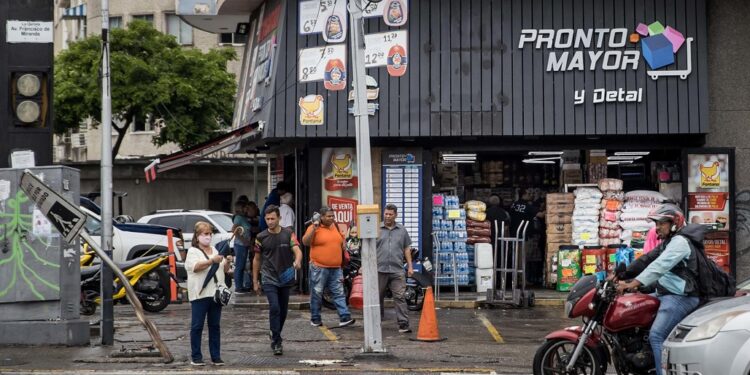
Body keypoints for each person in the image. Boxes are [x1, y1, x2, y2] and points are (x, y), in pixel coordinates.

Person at [616, 204, 702, 372]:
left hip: (680, 297)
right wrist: (620, 275)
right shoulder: (667, 243)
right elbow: (646, 259)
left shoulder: (680, 242)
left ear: (674, 223)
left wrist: (634, 283)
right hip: (665, 292)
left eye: (661, 223)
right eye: (656, 224)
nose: (657, 229)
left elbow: (658, 266)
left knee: (657, 336)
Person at [252, 205, 302, 355]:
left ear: (279, 218)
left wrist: (298, 261)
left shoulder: (288, 233)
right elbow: (256, 259)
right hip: (268, 276)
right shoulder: (260, 237)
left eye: (273, 218)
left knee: (283, 311)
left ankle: (274, 332)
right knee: (274, 307)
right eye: (267, 219)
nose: (270, 221)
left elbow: (297, 250)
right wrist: (255, 280)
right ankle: (277, 341)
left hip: (285, 276)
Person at [185, 221, 233, 366]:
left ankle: (216, 356)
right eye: (205, 234)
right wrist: (212, 261)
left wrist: (227, 263)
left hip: (215, 294)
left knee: (215, 326)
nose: (208, 236)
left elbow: (223, 271)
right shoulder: (192, 251)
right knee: (197, 326)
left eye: (210, 234)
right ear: (197, 236)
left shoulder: (215, 250)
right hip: (199, 294)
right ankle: (196, 356)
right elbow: (195, 267)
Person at [302, 206, 355, 328]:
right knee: (317, 293)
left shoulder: (334, 226)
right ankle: (315, 318)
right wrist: (314, 228)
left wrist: (343, 243)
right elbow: (305, 242)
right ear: (321, 217)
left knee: (339, 292)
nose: (332, 218)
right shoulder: (314, 227)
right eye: (329, 216)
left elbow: (341, 239)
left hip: (336, 268)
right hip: (319, 267)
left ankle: (344, 317)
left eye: (333, 216)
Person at [376, 204, 413, 333]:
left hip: (397, 270)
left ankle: (403, 324)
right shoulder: (377, 229)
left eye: (390, 214)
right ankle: (377, 321)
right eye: (386, 214)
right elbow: (369, 249)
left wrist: (410, 266)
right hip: (380, 269)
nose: (387, 216)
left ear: (395, 215)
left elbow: (406, 249)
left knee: (400, 297)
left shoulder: (402, 230)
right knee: (378, 296)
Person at [231, 200, 253, 293]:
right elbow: (233, 229)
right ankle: (238, 287)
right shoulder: (238, 218)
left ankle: (241, 285)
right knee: (240, 266)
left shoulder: (244, 218)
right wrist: (243, 240)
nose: (246, 209)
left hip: (244, 245)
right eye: (245, 207)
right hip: (240, 245)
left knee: (243, 265)